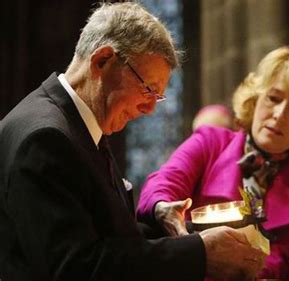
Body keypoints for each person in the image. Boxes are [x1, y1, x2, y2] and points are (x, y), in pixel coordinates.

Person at [0, 3, 265, 281]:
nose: (150, 109)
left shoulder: (75, 124)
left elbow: (103, 235)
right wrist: (197, 253)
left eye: (157, 97)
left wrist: (163, 223)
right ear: (102, 60)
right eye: (148, 89)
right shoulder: (46, 138)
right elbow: (75, 268)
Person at [137, 47, 289, 280]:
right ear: (256, 99)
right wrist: (163, 207)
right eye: (273, 98)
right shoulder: (210, 142)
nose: (279, 114)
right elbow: (165, 182)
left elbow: (284, 264)